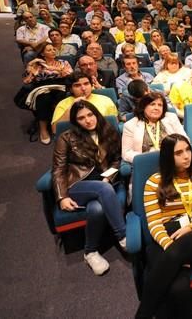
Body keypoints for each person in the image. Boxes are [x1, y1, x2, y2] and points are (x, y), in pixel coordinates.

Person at [136, 134, 192, 319]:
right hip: (165, 235)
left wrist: (190, 227)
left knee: (162, 267)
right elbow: (154, 223)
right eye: (178, 153)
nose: (186, 156)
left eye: (187, 150)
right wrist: (172, 250)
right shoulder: (154, 182)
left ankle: (142, 315)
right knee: (177, 288)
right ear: (168, 157)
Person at [52, 101, 126, 275]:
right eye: (81, 118)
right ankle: (123, 235)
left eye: (90, 115)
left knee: (97, 208)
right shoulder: (67, 137)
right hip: (78, 185)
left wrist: (109, 176)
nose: (87, 120)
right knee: (103, 189)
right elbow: (58, 169)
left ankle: (90, 252)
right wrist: (62, 196)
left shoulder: (108, 131)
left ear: (96, 114)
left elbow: (116, 159)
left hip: (103, 182)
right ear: (75, 121)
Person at [22, 44, 73, 144]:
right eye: (49, 50)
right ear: (42, 53)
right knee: (43, 97)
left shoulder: (63, 62)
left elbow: (71, 75)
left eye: (54, 49)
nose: (53, 51)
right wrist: (31, 63)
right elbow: (27, 81)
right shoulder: (37, 65)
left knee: (60, 96)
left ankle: (60, 126)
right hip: (42, 88)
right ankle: (43, 129)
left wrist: (56, 69)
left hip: (60, 86)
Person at [122, 92, 186, 163]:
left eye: (160, 105)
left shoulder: (171, 118)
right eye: (152, 104)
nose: (156, 108)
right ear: (143, 107)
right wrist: (148, 158)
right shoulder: (130, 125)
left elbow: (185, 139)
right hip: (146, 162)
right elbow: (126, 153)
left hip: (172, 159)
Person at [51, 72, 117, 129]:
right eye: (77, 85)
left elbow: (115, 123)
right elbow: (55, 129)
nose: (83, 88)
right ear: (71, 89)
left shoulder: (105, 100)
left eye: (86, 84)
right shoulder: (63, 104)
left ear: (91, 85)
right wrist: (72, 107)